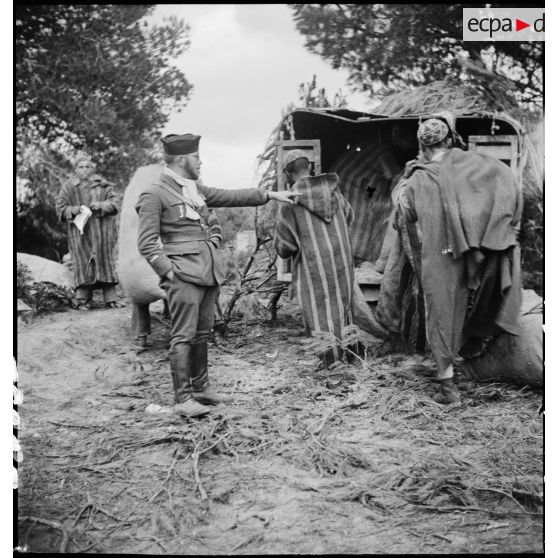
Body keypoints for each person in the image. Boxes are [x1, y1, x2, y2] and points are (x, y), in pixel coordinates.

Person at [135, 133, 297, 417]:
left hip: (207, 273)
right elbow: (147, 243)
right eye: (196, 157)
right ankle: (183, 399)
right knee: (182, 336)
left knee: (201, 333)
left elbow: (231, 196)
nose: (200, 162)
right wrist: (169, 273)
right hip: (182, 275)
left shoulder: (193, 188)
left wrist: (269, 195)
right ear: (183, 159)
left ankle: (201, 388)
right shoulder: (155, 193)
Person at [393, 117, 522, 403]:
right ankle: (462, 367)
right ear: (450, 140)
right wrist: (498, 231)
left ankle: (448, 387)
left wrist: (405, 179)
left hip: (440, 259)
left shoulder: (417, 179)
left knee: (441, 316)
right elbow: (505, 181)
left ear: (422, 145)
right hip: (474, 256)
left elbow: (407, 213)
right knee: (466, 309)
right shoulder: (476, 166)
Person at [273, 150, 356, 368]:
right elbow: (350, 216)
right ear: (309, 167)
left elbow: (285, 245)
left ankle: (332, 362)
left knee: (320, 312)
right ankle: (351, 356)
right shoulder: (334, 193)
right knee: (342, 307)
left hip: (313, 266)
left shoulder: (289, 202)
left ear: (288, 173)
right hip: (342, 261)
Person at [57, 154, 119, 309]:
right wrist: (72, 209)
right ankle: (83, 300)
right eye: (81, 167)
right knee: (83, 263)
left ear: (93, 169)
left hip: (102, 233)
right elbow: (60, 208)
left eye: (88, 167)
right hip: (80, 233)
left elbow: (115, 203)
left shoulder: (103, 185)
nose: (85, 170)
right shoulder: (69, 186)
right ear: (76, 169)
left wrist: (102, 205)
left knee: (105, 261)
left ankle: (110, 299)